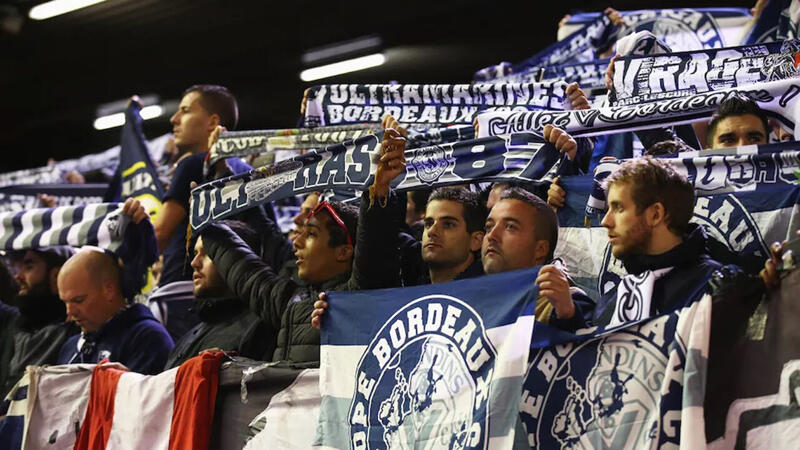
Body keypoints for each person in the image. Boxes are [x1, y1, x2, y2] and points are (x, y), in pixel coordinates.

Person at [198, 129, 408, 364]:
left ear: (345, 250)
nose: (296, 240)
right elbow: (244, 269)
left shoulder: (360, 292)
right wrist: (206, 219)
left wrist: (379, 190)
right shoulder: (292, 301)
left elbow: (374, 243)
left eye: (311, 233)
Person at [545, 157, 738, 330]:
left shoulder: (717, 288)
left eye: (618, 208)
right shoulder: (617, 295)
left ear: (655, 214)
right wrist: (568, 313)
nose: (605, 221)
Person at [153, 84, 247, 286]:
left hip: (184, 290)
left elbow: (158, 234)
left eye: (185, 111)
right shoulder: (247, 170)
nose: (174, 119)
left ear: (213, 122)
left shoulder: (193, 164)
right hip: (236, 289)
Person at [163, 220, 274, 369]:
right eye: (195, 253)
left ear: (239, 259)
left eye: (208, 253)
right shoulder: (195, 330)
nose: (194, 263)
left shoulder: (259, 328)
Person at [56, 247, 174, 374]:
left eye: (78, 300)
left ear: (109, 290)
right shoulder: (70, 346)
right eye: (65, 302)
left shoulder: (148, 339)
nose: (70, 312)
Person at [0, 247, 78, 397]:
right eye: (19, 267)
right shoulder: (14, 322)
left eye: (29, 267)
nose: (18, 276)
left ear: (56, 276)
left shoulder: (76, 331)